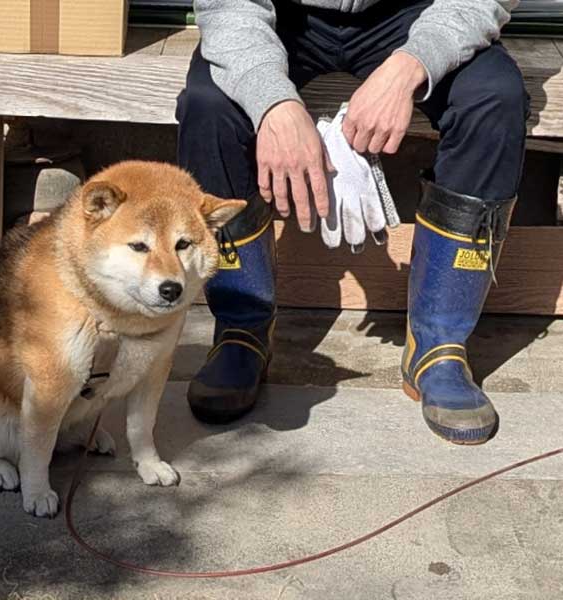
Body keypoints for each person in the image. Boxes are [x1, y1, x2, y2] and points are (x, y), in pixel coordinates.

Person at [176, 0, 529, 444]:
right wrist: (273, 105)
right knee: (209, 106)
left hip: (418, 13)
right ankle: (241, 330)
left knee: (496, 99)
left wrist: (410, 64)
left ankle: (438, 345)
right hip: (278, 14)